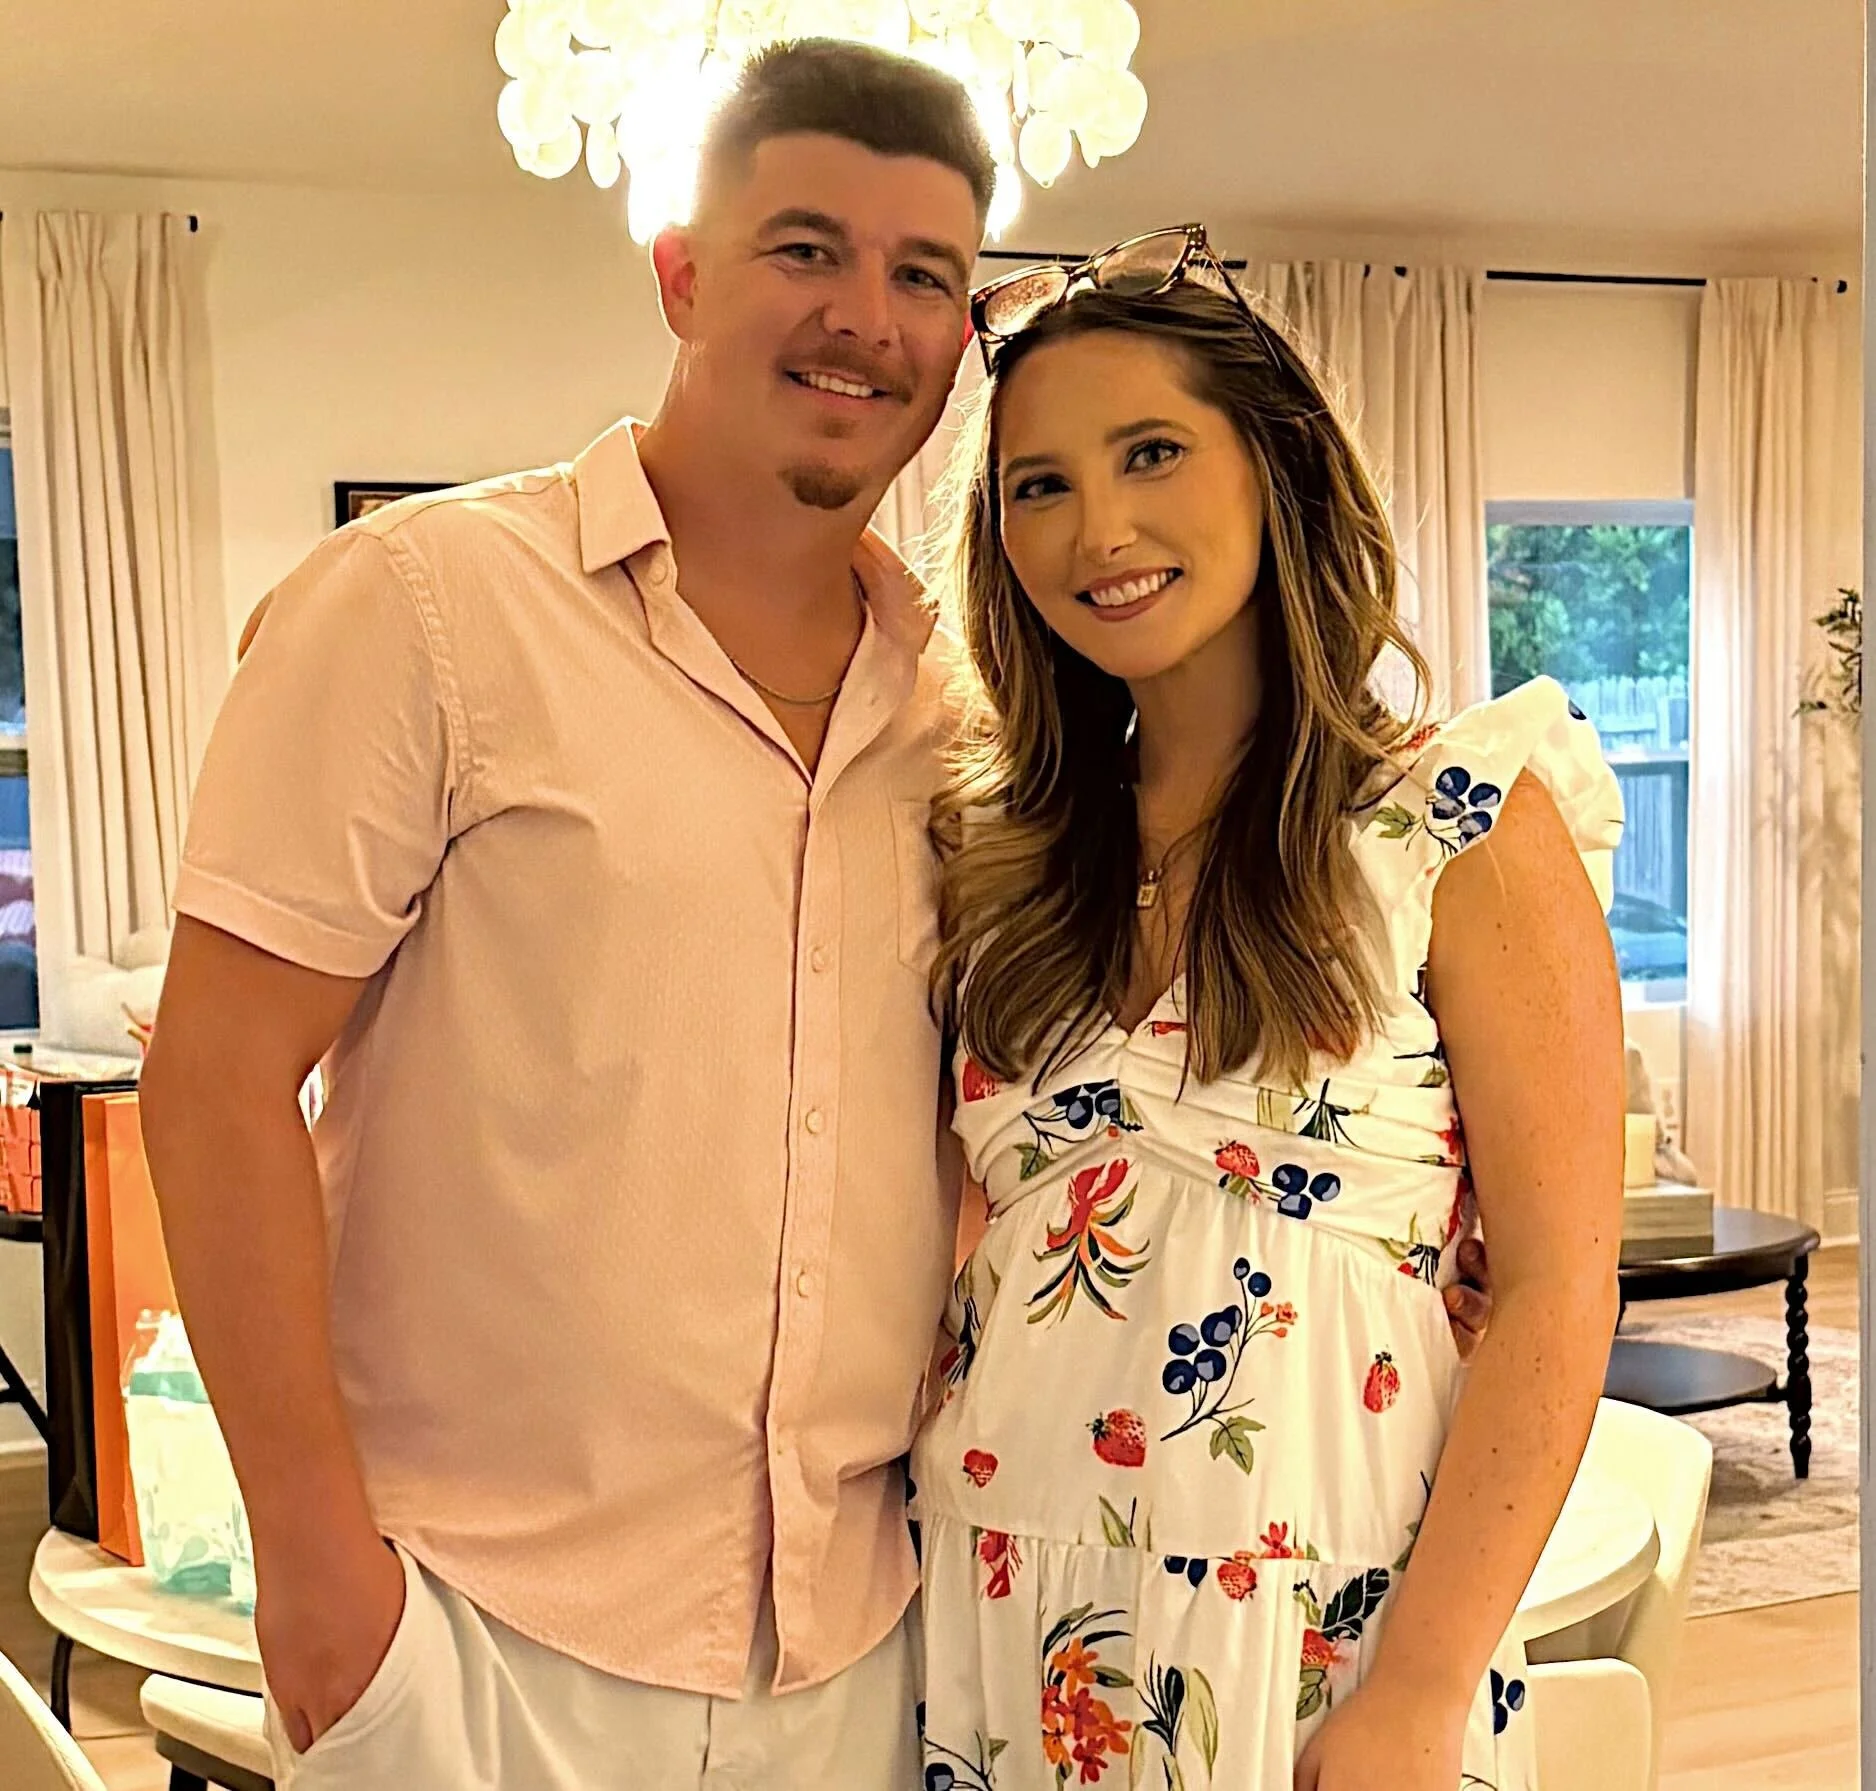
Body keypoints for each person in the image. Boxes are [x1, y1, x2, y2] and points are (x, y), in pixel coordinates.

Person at [138, 39, 992, 1790]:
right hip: (473, 1634)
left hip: (855, 1645)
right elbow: (217, 1078)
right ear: (681, 272)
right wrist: (318, 1581)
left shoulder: (965, 715)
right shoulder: (432, 608)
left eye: (926, 275)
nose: (867, 316)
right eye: (806, 247)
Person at [910, 228, 1624, 1791]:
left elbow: (1566, 1290)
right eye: (1039, 484)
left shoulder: (1461, 821)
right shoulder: (999, 855)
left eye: (1150, 451)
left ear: (1278, 460)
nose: (1099, 528)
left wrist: (1426, 1684)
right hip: (992, 1601)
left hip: (1330, 1626)